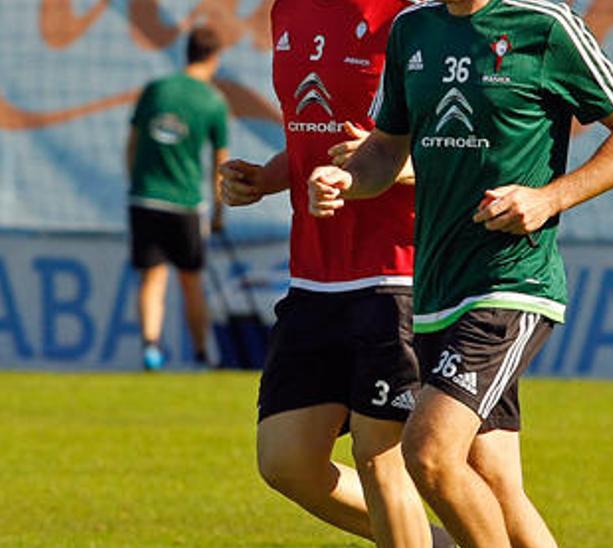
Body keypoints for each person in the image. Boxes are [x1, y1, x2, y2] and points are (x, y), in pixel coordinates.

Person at [308, 0, 613, 545]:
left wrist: (547, 199)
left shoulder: (545, 25)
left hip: (511, 283)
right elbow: (385, 148)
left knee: (428, 453)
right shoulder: (412, 28)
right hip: (436, 290)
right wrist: (347, 178)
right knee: (495, 484)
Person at [220, 1, 452, 546]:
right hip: (314, 279)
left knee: (379, 460)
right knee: (287, 461)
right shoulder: (288, 12)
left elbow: (462, 146)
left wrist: (378, 170)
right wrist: (266, 177)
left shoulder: (413, 17)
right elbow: (313, 137)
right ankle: (441, 541)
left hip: (398, 276)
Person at [126, 26, 229, 371]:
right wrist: (218, 211)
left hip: (145, 198)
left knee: (152, 278)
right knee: (191, 280)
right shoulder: (213, 101)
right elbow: (220, 162)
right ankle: (202, 354)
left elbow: (133, 144)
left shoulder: (156, 90)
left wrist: (137, 184)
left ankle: (151, 348)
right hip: (185, 201)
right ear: (214, 58)